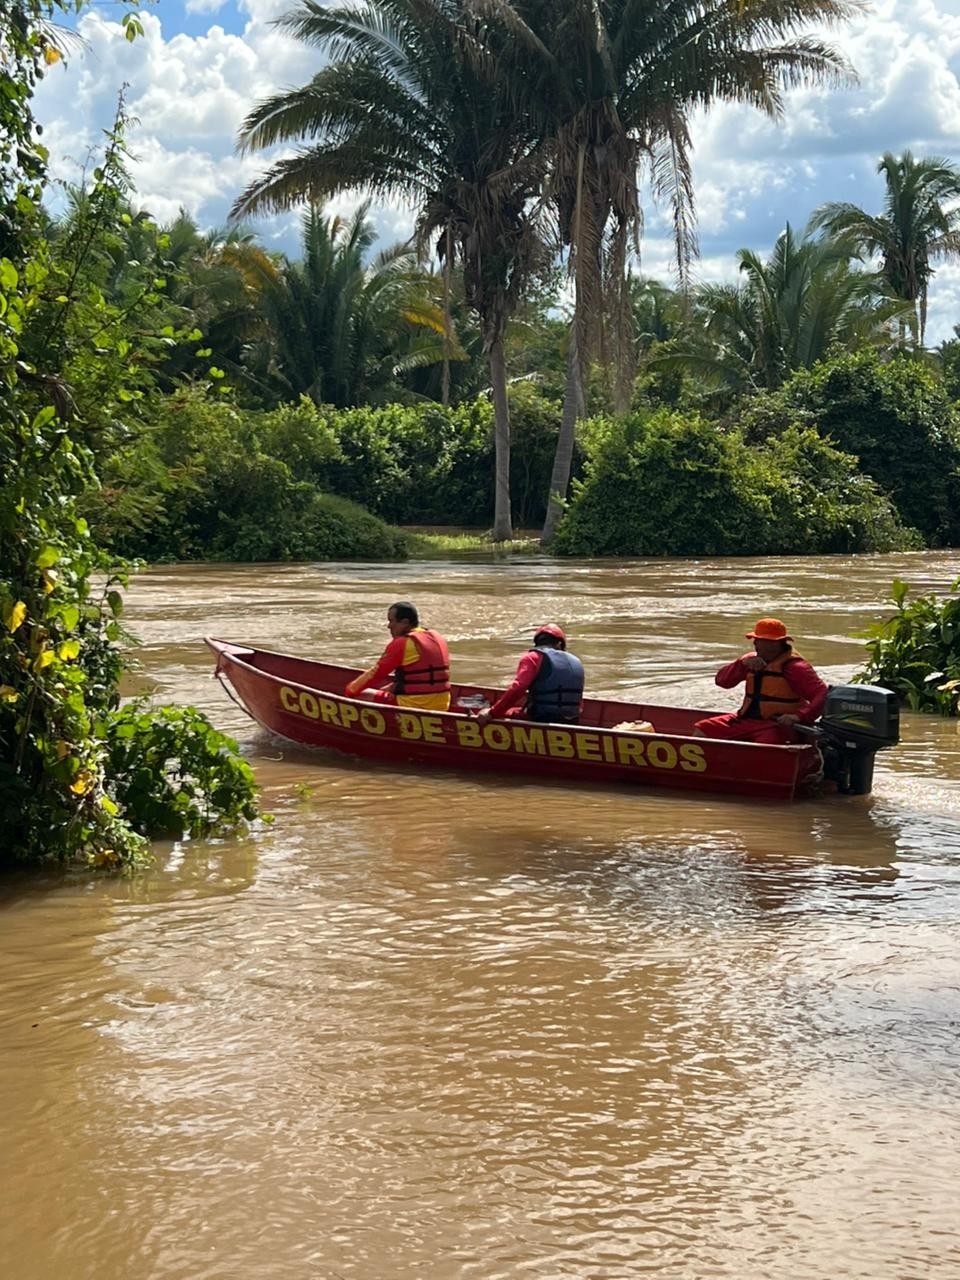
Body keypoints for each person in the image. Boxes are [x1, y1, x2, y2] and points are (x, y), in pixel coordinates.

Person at [694, 617, 828, 744]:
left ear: (779, 643)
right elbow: (722, 681)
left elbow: (823, 694)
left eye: (766, 641)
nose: (759, 645)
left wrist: (799, 716)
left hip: (776, 725)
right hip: (745, 720)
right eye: (758, 640)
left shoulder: (796, 667)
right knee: (703, 729)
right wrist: (741, 665)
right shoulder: (749, 660)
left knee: (766, 745)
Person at [344, 602, 451, 711]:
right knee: (386, 689)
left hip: (415, 704)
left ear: (405, 622)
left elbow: (376, 673)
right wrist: (393, 687)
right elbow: (420, 673)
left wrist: (350, 691)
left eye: (392, 621)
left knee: (363, 694)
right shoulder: (437, 637)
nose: (389, 626)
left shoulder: (402, 643)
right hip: (443, 704)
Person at [476, 624, 584, 725]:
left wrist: (492, 713)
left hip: (541, 718)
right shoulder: (576, 661)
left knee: (501, 712)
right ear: (560, 644)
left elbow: (518, 689)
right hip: (572, 720)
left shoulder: (533, 657)